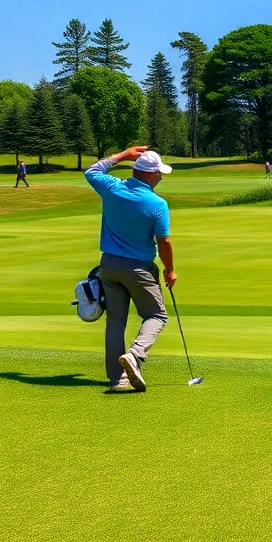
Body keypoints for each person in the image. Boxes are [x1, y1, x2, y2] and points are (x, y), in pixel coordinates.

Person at [85, 146, 176, 392]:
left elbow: (92, 172)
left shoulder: (113, 188)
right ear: (149, 174)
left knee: (116, 320)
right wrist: (170, 270)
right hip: (138, 268)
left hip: (109, 266)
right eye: (159, 173)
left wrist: (123, 155)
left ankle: (118, 379)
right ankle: (135, 355)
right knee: (157, 316)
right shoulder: (157, 203)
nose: (161, 177)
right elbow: (164, 242)